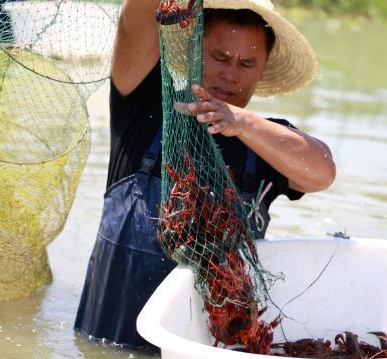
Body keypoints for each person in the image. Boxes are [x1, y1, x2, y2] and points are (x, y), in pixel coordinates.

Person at [74, 0, 336, 350]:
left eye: (246, 63)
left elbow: (322, 172)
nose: (231, 74)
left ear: (262, 70)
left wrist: (241, 122)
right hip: (106, 347)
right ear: (195, 50)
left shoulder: (265, 142)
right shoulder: (144, 105)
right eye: (220, 57)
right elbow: (133, 18)